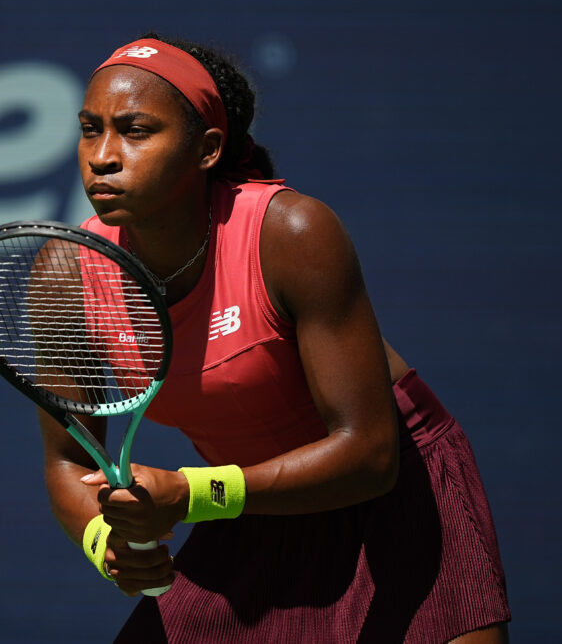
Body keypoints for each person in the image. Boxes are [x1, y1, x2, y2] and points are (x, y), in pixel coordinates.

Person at [37, 33, 511, 643]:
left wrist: (187, 492)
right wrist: (110, 545)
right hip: (244, 506)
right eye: (89, 128)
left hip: (395, 499)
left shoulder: (290, 232)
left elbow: (370, 455)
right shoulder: (65, 273)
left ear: (207, 150)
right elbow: (68, 461)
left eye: (135, 130)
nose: (102, 155)